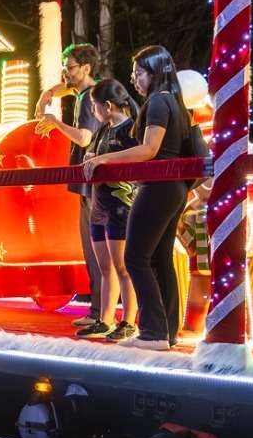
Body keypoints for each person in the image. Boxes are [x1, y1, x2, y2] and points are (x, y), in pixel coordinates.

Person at [83, 46, 201, 351]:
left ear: (155, 72)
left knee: (135, 257)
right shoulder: (174, 101)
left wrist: (104, 159)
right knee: (160, 259)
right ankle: (167, 332)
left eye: (139, 73)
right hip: (174, 188)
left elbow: (149, 149)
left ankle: (153, 332)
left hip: (158, 186)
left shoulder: (159, 101)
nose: (134, 79)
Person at [40, 77, 139, 340]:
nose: (93, 111)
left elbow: (134, 160)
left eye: (95, 106)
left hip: (120, 205)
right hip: (99, 203)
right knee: (104, 267)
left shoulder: (132, 130)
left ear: (108, 106)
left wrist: (103, 160)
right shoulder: (103, 130)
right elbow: (91, 152)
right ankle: (105, 319)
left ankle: (129, 321)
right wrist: (91, 158)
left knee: (122, 267)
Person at [36, 43, 104, 323]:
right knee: (97, 248)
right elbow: (65, 87)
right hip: (93, 180)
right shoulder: (89, 92)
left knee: (96, 248)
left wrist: (55, 122)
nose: (65, 73)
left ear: (86, 68)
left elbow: (85, 138)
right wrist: (48, 93)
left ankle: (100, 312)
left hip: (93, 181)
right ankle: (100, 311)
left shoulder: (88, 98)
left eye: (70, 68)